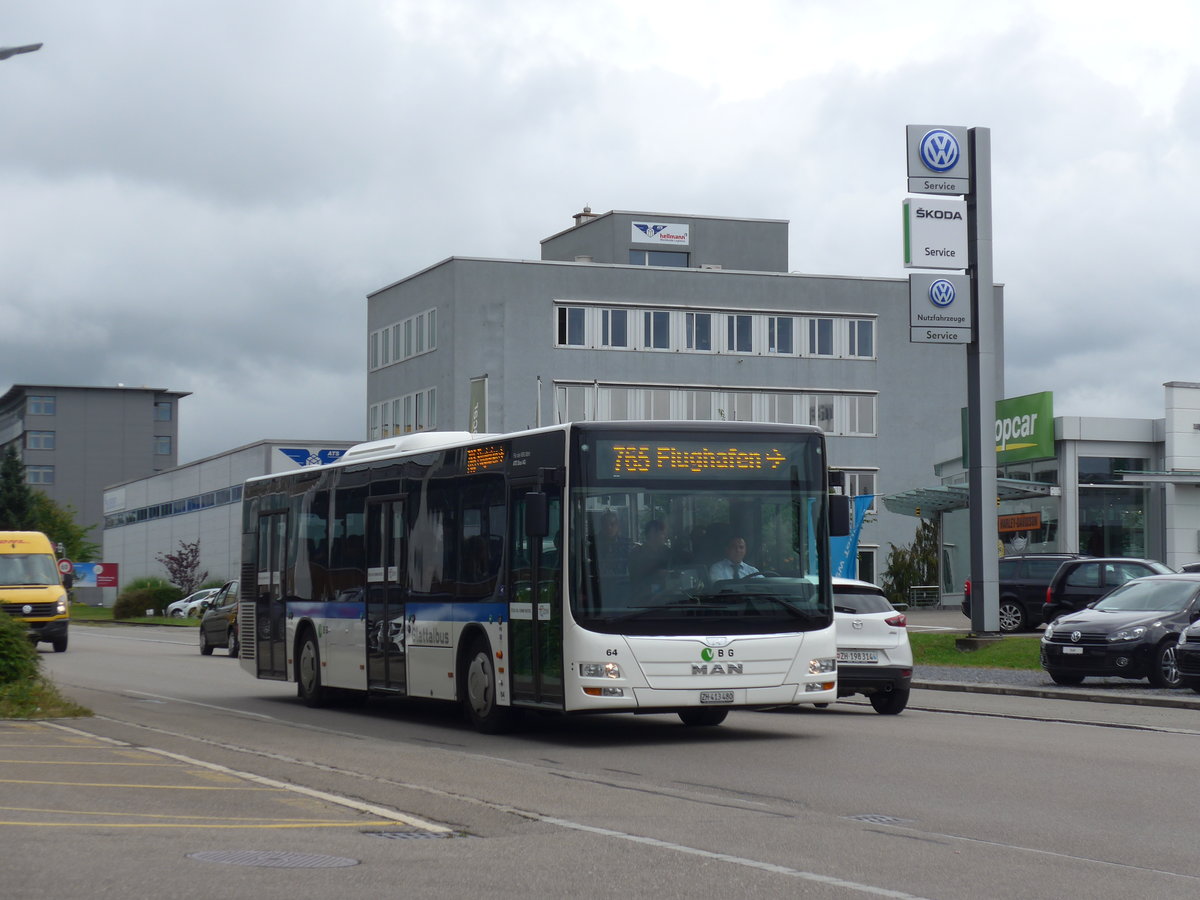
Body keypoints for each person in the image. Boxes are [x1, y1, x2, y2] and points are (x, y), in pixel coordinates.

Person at [630, 519, 671, 586]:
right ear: (652, 533)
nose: (665, 537)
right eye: (662, 533)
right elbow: (636, 577)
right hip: (644, 590)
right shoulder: (637, 552)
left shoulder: (666, 551)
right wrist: (656, 574)